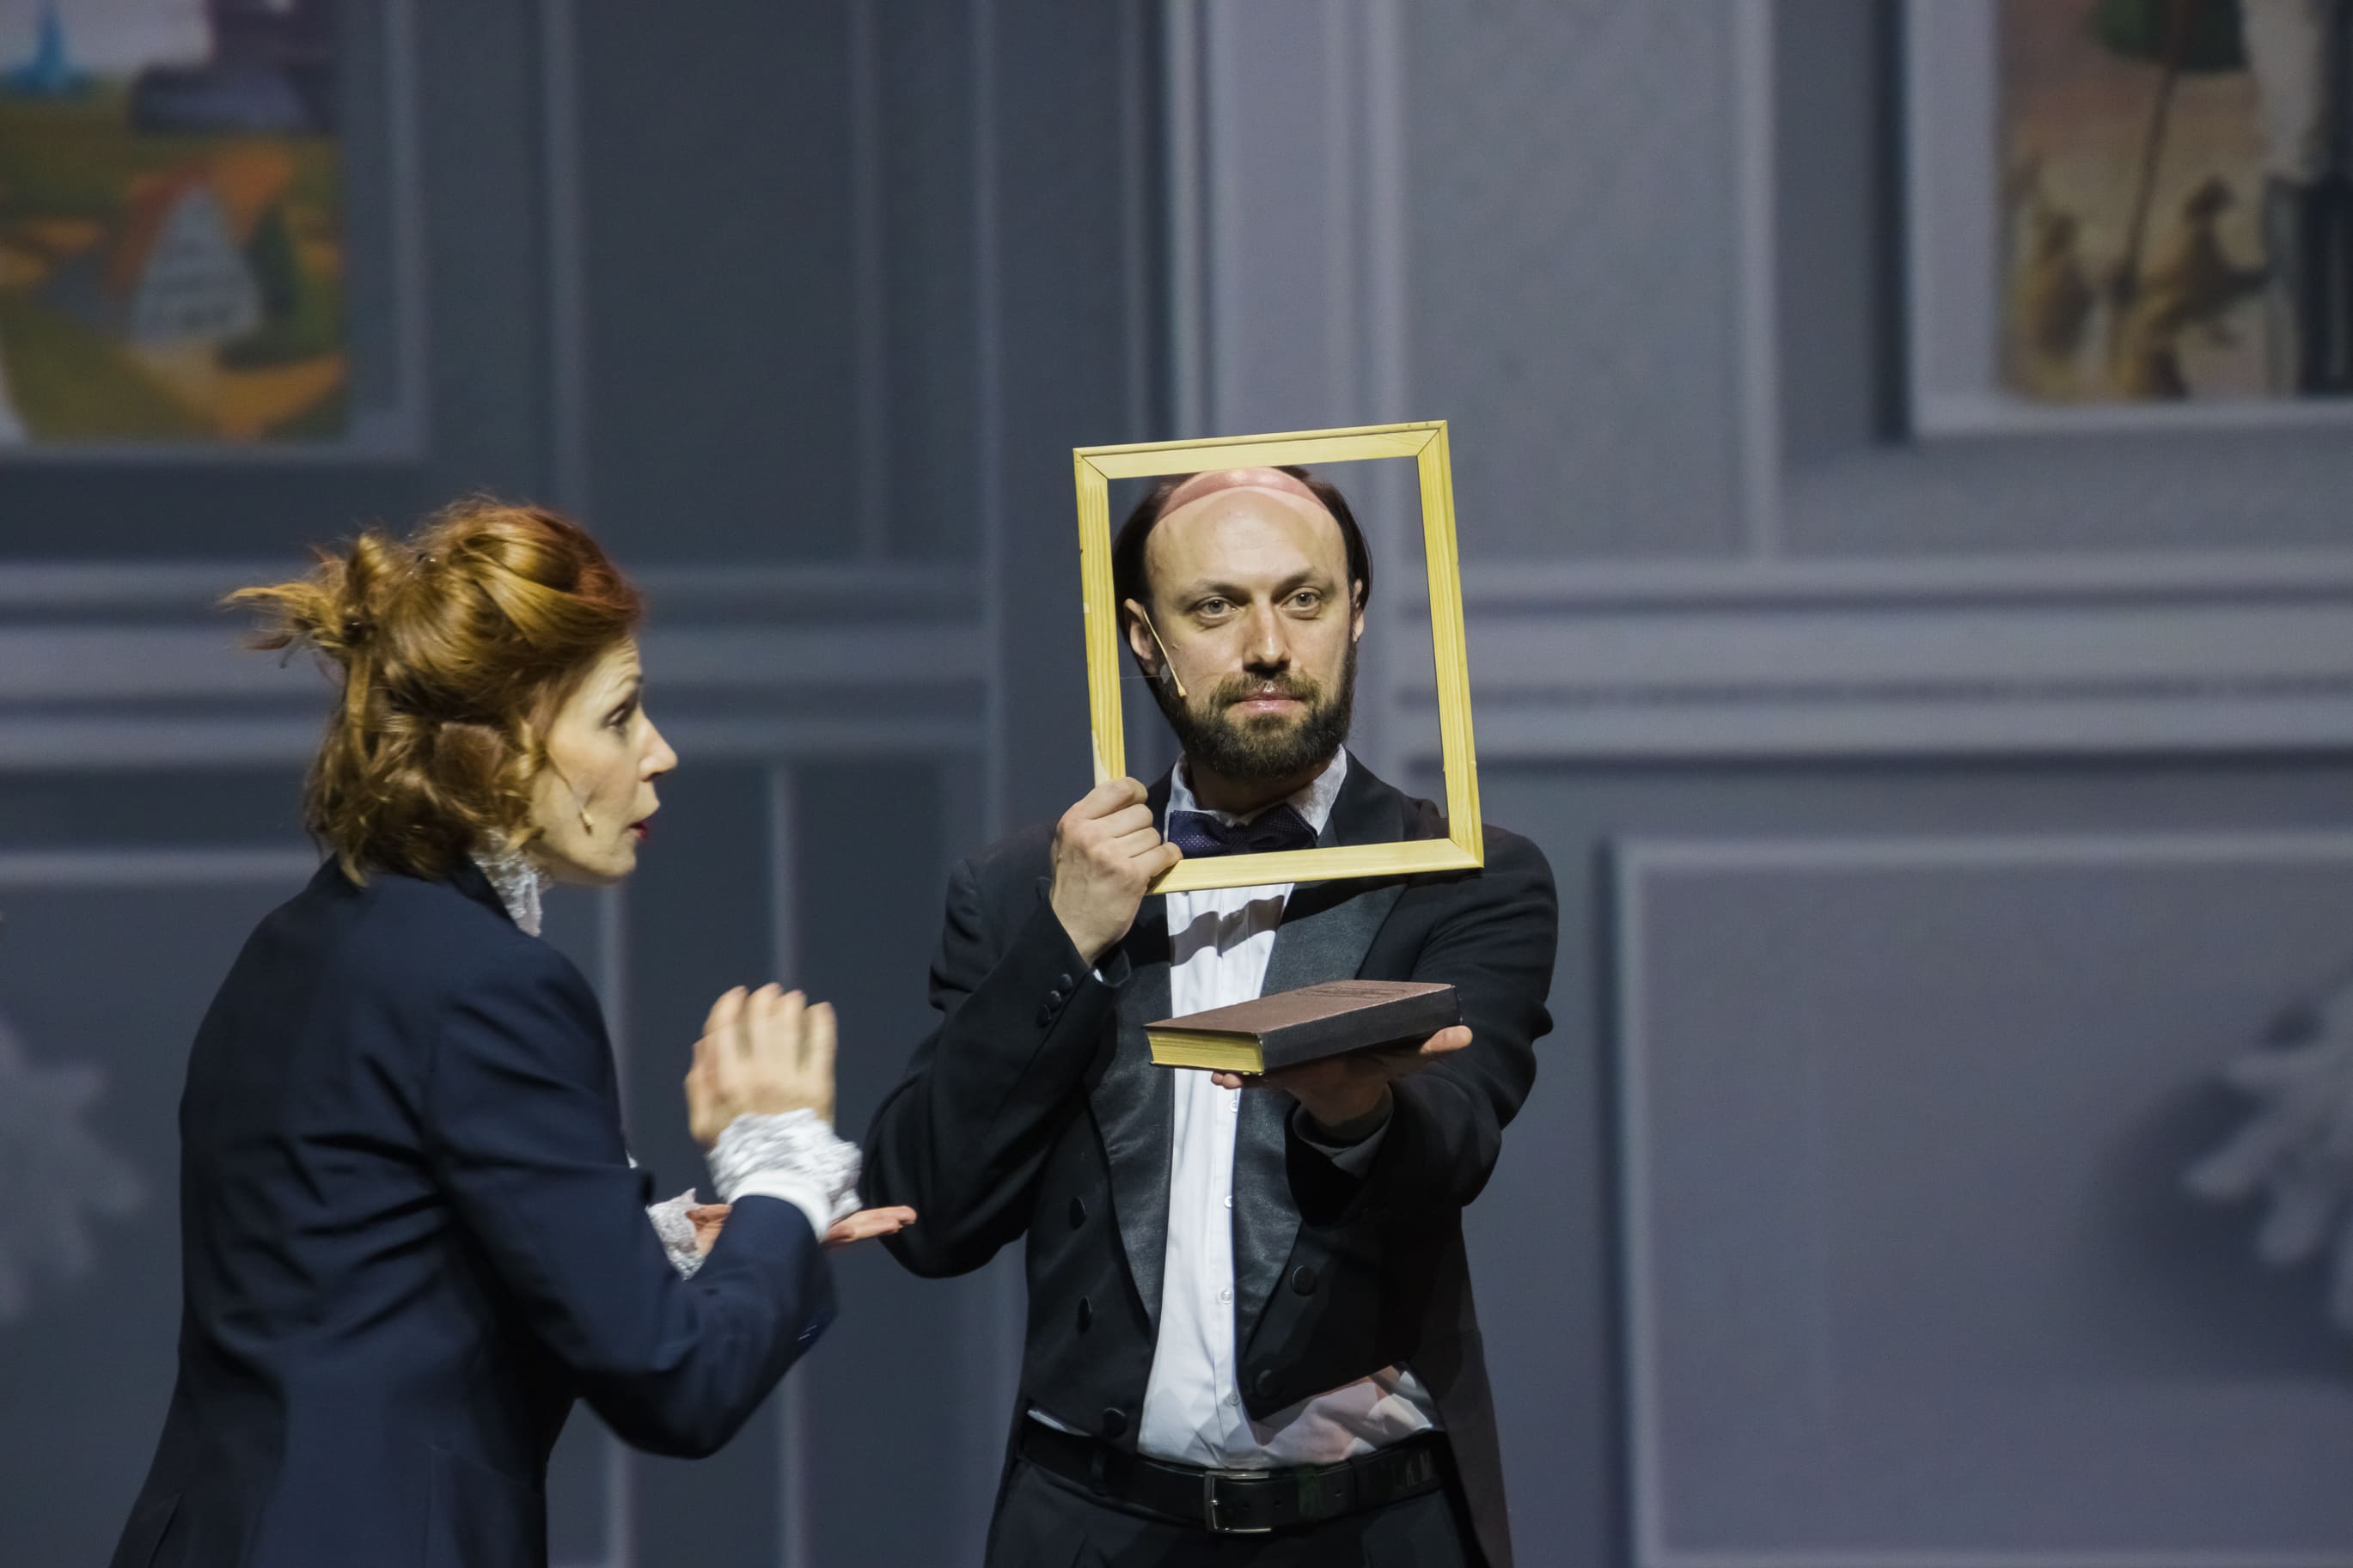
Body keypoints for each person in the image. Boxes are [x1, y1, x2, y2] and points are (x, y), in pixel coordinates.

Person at [107, 500, 912, 1568]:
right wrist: (781, 1165)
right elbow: (678, 1383)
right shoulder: (491, 984)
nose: (659, 753)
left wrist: (657, 1248)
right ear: (495, 749)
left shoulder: (305, 941)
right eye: (619, 715)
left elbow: (361, 1273)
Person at [863, 466, 1557, 1565]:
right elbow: (927, 1214)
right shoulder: (1020, 890)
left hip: (1365, 1530)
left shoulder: (1464, 876)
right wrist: (1064, 943)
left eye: (1303, 598)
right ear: (1144, 640)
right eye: (1215, 606)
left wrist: (1354, 1114)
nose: (1268, 645)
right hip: (1089, 1527)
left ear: (1355, 612)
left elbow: (1456, 1138)